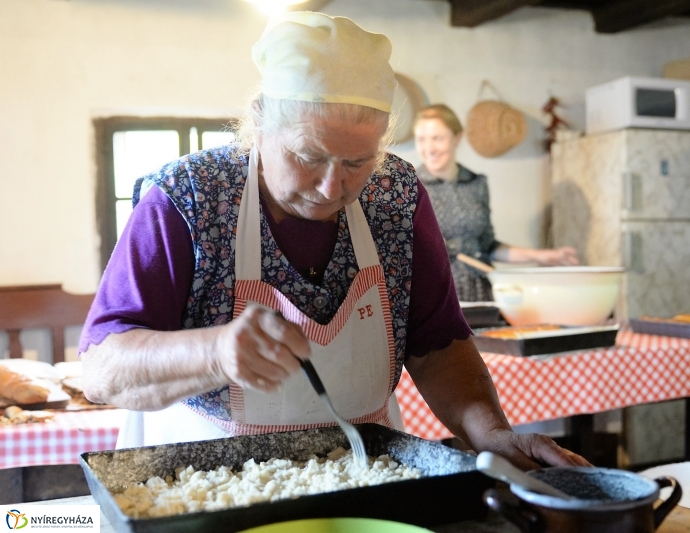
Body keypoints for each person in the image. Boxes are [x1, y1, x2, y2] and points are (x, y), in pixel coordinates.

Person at [79, 12, 588, 471]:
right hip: (208, 482)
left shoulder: (397, 196)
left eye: (356, 163)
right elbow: (102, 371)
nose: (331, 188)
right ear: (259, 121)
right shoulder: (190, 197)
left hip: (363, 470)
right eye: (308, 155)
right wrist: (214, 352)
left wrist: (491, 434)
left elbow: (438, 348)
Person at [413, 104, 578, 302]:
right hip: (434, 298)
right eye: (421, 140)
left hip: (481, 295)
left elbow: (488, 247)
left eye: (437, 138)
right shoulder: (408, 187)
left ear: (457, 138)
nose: (429, 148)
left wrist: (540, 256)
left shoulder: (477, 184)